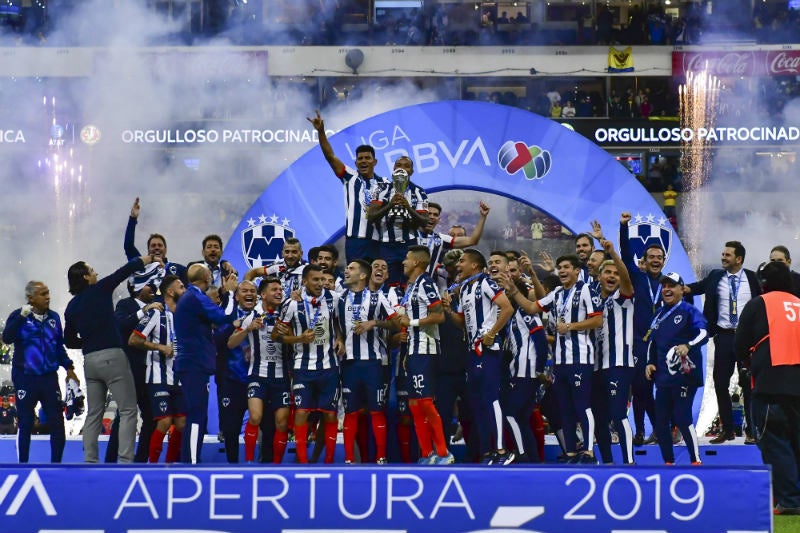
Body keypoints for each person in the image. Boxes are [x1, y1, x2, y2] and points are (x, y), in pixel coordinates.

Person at [504, 253, 603, 463]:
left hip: (580, 359)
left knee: (581, 406)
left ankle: (588, 451)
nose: (563, 271)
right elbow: (532, 307)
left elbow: (598, 321)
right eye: (560, 267)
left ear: (577, 270)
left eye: (567, 267)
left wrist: (570, 327)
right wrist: (513, 291)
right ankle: (571, 452)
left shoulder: (586, 289)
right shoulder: (557, 293)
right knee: (564, 407)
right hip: (560, 361)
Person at [65, 255, 160, 463]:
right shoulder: (100, 289)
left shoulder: (71, 307)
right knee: (128, 410)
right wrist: (146, 259)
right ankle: (125, 461)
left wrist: (89, 342)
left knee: (94, 413)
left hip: (90, 361)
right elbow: (123, 272)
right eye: (92, 270)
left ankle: (90, 461)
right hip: (113, 357)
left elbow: (69, 340)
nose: (96, 273)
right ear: (85, 276)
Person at [734, 261, 800, 515]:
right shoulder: (798, 303)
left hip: (771, 384)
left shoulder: (758, 303)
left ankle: (790, 500)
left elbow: (740, 345)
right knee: (795, 442)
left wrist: (748, 362)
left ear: (763, 283)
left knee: (774, 441)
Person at [685, 241, 761, 444]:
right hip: (724, 336)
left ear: (739, 259)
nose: (723, 257)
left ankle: (752, 431)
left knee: (749, 385)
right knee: (720, 382)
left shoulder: (753, 278)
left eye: (728, 255)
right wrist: (680, 288)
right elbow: (698, 288)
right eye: (723, 254)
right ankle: (727, 430)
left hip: (748, 338)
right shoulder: (715, 276)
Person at [448, 249, 515, 464]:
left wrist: (492, 333)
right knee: (477, 403)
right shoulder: (465, 289)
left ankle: (501, 450)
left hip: (487, 351)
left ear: (474, 266)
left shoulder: (486, 282)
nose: (458, 264)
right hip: (472, 353)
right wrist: (448, 311)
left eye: (462, 261)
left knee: (490, 399)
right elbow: (462, 323)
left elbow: (507, 308)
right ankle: (487, 452)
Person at [3, 281, 79, 462]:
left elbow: (58, 347)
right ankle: (23, 465)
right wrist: (21, 317)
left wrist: (69, 367)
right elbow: (7, 338)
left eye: (48, 293)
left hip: (48, 379)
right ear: (31, 298)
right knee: (26, 423)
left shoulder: (54, 318)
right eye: (43, 294)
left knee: (57, 423)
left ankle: (56, 465)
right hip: (25, 378)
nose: (48, 297)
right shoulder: (19, 316)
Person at [275, 264, 343, 463]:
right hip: (302, 368)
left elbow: (340, 322)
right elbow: (276, 336)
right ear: (304, 281)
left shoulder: (334, 299)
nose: (320, 283)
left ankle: (329, 461)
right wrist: (298, 340)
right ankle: (303, 463)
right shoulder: (292, 304)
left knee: (330, 415)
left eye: (322, 279)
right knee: (302, 413)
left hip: (329, 367)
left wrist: (339, 337)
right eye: (315, 280)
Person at [173, 263, 239, 464]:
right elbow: (226, 316)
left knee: (197, 414)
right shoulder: (195, 296)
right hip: (194, 363)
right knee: (196, 413)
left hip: (192, 363)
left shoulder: (192, 298)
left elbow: (214, 317)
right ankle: (191, 461)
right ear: (207, 278)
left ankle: (190, 458)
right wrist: (229, 293)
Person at [395, 245, 453, 464]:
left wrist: (411, 322)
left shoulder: (426, 283)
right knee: (414, 404)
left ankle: (443, 452)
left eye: (407, 259)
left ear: (417, 262)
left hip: (426, 349)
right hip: (413, 350)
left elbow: (438, 317)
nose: (403, 262)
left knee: (426, 403)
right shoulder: (412, 286)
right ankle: (427, 454)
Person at [489, 252, 547, 463]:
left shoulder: (526, 313)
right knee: (521, 419)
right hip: (518, 371)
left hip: (527, 372)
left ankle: (521, 455)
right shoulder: (513, 318)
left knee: (511, 414)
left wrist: (541, 369)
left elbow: (540, 339)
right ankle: (532, 459)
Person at [338, 259, 397, 464]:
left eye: (351, 268)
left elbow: (397, 322)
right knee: (351, 411)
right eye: (347, 268)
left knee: (376, 410)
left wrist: (374, 322)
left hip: (373, 363)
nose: (346, 271)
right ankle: (348, 460)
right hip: (349, 364)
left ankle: (381, 457)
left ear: (363, 275)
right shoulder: (340, 298)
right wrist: (338, 338)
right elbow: (334, 323)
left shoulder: (378, 297)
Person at [645, 272, 708, 465]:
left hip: (686, 375)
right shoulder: (658, 314)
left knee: (682, 416)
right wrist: (649, 362)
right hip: (664, 376)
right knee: (660, 421)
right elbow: (651, 342)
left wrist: (688, 345)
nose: (667, 289)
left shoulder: (690, 310)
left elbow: (704, 333)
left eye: (671, 286)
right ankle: (668, 462)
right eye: (664, 286)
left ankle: (695, 460)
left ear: (682, 289)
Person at [228, 276, 292, 464]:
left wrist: (289, 333)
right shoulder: (252, 315)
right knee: (255, 417)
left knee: (281, 423)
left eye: (280, 289)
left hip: (281, 377)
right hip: (257, 374)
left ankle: (277, 466)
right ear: (263, 295)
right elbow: (231, 343)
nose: (279, 292)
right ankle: (249, 462)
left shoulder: (287, 314)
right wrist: (248, 329)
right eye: (274, 290)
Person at [308, 110, 386, 262]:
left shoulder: (385, 184)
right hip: (355, 240)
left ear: (374, 162)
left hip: (377, 240)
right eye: (360, 158)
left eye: (367, 158)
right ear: (356, 163)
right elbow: (330, 156)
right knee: (355, 280)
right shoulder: (349, 177)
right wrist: (321, 132)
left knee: (375, 280)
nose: (363, 161)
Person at [128, 274, 187, 463]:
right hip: (157, 378)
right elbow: (134, 339)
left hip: (178, 378)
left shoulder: (183, 317)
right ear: (170, 291)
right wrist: (159, 347)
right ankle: (153, 466)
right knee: (163, 422)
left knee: (181, 424)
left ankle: (169, 466)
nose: (184, 290)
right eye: (181, 287)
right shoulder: (156, 313)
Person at [619, 211, 663, 445]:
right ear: (644, 261)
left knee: (662, 390)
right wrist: (623, 227)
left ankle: (661, 429)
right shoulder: (638, 277)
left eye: (659, 257)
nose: (655, 260)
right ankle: (647, 430)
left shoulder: (670, 283)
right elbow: (626, 257)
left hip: (662, 345)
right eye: (651, 257)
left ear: (664, 261)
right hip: (639, 342)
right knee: (640, 388)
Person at [592, 237, 636, 464]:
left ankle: (629, 463)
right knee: (599, 419)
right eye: (607, 272)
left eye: (615, 273)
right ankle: (607, 463)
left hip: (619, 365)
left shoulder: (623, 298)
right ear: (599, 277)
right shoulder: (594, 302)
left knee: (618, 415)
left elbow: (627, 280)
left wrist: (613, 254)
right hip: (597, 367)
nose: (611, 276)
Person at [109, 282, 163, 462]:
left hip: (152, 371)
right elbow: (120, 324)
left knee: (151, 417)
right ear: (136, 287)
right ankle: (110, 461)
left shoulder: (160, 306)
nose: (153, 288)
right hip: (131, 369)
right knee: (124, 415)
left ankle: (140, 461)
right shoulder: (126, 305)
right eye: (149, 285)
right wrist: (145, 310)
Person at [215, 280, 260, 463]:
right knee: (230, 429)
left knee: (264, 423)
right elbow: (217, 338)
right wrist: (235, 324)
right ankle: (232, 466)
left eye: (253, 291)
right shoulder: (228, 314)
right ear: (236, 296)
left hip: (258, 379)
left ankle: (264, 465)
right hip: (231, 379)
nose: (249, 294)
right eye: (244, 291)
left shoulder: (264, 314)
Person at [368, 156, 430, 285]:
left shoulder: (419, 192)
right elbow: (372, 217)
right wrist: (390, 205)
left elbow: (424, 222)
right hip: (386, 244)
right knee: (387, 283)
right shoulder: (381, 189)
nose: (402, 168)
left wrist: (408, 207)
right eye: (398, 165)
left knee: (409, 282)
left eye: (406, 166)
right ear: (394, 169)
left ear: (411, 171)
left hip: (409, 244)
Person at [123, 197, 187, 291]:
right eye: (153, 246)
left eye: (160, 245)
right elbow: (128, 247)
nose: (156, 248)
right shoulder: (141, 266)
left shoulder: (179, 269)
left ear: (165, 249)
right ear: (148, 250)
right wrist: (133, 219)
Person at [417, 201, 490, 278]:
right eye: (428, 213)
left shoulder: (440, 239)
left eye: (435, 215)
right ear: (421, 216)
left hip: (424, 286)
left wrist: (483, 217)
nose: (431, 217)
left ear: (438, 219)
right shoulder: (409, 235)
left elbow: (472, 240)